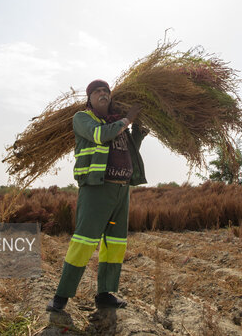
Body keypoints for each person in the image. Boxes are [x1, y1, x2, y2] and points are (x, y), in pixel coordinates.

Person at [47, 79, 148, 312]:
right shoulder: (83, 119)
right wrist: (128, 118)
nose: (103, 94)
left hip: (121, 191)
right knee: (84, 241)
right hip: (97, 190)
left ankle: (105, 293)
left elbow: (125, 149)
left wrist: (138, 132)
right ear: (89, 99)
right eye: (97, 92)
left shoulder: (118, 123)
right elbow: (102, 136)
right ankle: (61, 296)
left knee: (114, 243)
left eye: (106, 91)